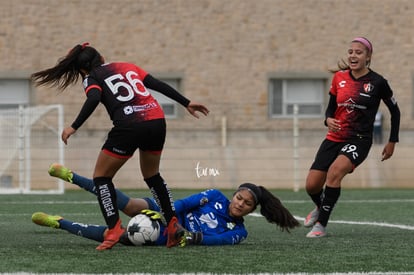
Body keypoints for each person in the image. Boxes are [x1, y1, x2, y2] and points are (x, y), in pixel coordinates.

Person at [31, 43, 209, 250]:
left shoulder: (91, 78)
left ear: (81, 69)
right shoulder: (126, 66)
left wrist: (74, 126)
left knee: (101, 178)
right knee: (152, 175)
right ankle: (171, 225)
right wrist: (185, 102)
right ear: (102, 57)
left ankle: (114, 228)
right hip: (156, 120)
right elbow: (156, 84)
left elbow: (94, 97)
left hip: (129, 125)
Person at [32, 164, 300, 246]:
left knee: (118, 237)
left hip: (171, 235)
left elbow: (213, 240)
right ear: (234, 195)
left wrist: (185, 234)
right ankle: (72, 177)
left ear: (252, 210)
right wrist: (165, 214)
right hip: (167, 212)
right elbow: (185, 203)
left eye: (246, 204)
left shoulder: (239, 233)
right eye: (239, 197)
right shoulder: (216, 195)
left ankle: (59, 222)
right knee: (129, 205)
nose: (240, 204)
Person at [303, 37, 400, 238]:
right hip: (334, 137)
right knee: (311, 185)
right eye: (350, 52)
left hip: (359, 139)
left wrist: (392, 141)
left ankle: (321, 225)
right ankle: (321, 207)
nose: (353, 56)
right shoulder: (339, 77)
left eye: (358, 52)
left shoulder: (378, 82)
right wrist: (327, 120)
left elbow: (395, 111)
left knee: (335, 172)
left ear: (368, 57)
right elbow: (330, 109)